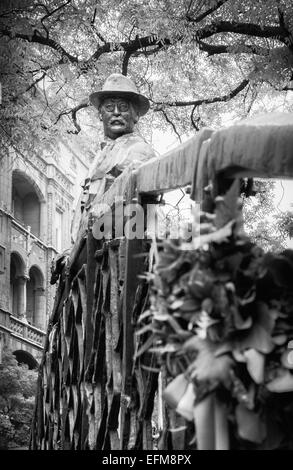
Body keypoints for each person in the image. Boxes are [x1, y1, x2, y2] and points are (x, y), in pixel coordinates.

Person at [51, 73, 155, 283]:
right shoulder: (98, 157)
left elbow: (130, 202)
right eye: (109, 107)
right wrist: (71, 250)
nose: (116, 112)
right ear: (100, 114)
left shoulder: (139, 151)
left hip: (117, 253)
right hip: (91, 255)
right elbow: (85, 208)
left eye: (123, 107)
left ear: (136, 115)